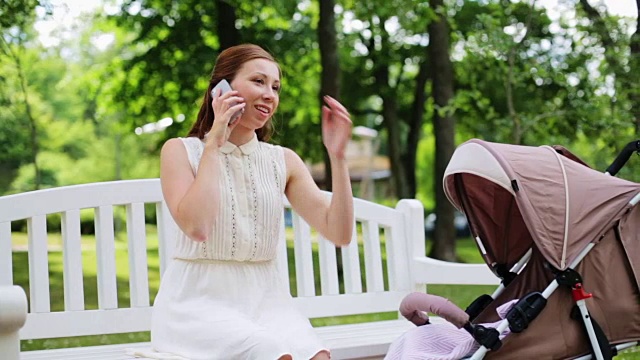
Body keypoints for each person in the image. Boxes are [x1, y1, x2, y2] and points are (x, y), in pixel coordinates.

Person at [147, 44, 354, 360]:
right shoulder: (180, 151)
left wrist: (337, 158)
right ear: (222, 87)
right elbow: (198, 227)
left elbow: (339, 234)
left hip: (267, 302)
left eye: (275, 87)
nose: (270, 94)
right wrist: (215, 142)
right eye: (258, 81)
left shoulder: (283, 160)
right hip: (196, 304)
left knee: (316, 355)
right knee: (270, 352)